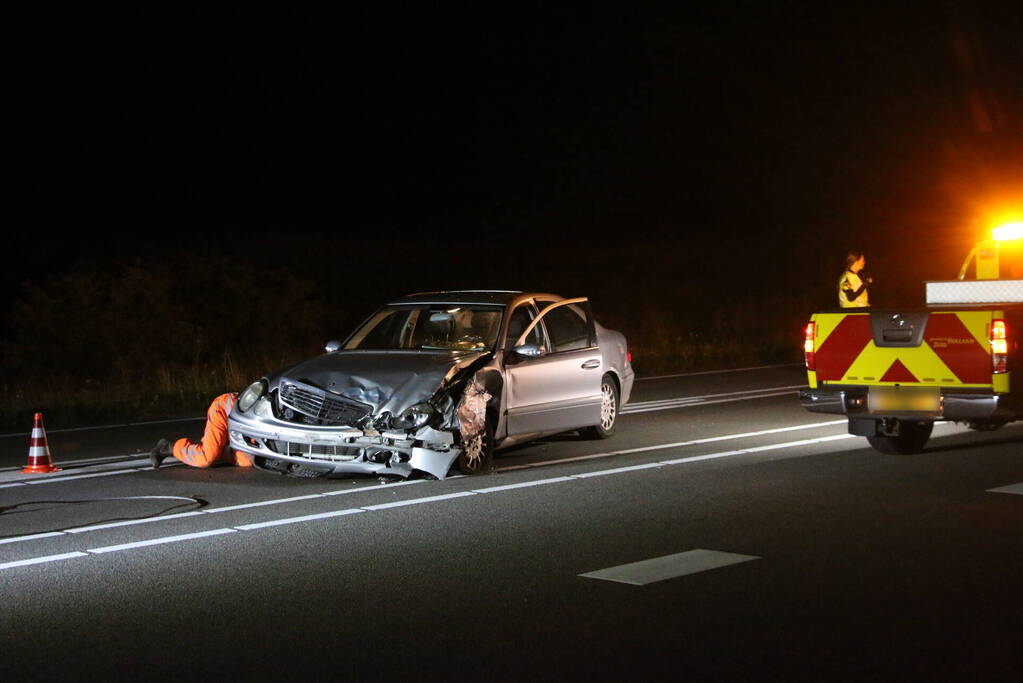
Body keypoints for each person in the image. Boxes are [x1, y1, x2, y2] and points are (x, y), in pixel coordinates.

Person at [150, 392, 253, 469]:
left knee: (249, 460)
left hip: (240, 424)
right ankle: (168, 447)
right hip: (224, 411)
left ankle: (222, 449)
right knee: (208, 457)